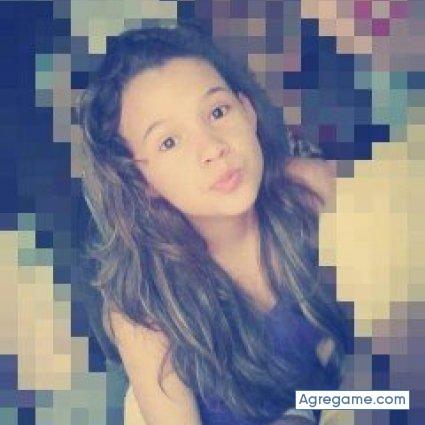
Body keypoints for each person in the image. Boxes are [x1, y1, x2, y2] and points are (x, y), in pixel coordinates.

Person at [78, 23, 350, 425]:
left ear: (248, 111)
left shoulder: (311, 192)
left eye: (217, 111)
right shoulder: (144, 306)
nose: (212, 148)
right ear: (141, 180)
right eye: (169, 142)